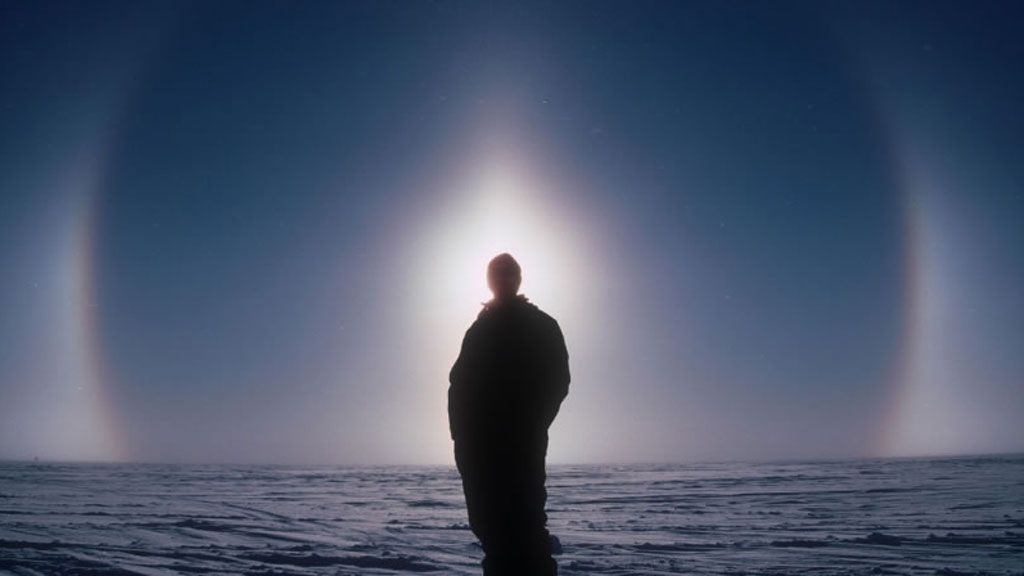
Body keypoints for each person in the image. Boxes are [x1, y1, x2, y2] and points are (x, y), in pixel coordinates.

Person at [449, 253, 571, 576]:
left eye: (507, 275)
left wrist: (527, 425)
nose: (501, 281)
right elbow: (459, 386)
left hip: (519, 450)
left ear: (517, 279)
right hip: (479, 452)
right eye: (496, 276)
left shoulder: (541, 326)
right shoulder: (480, 330)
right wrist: (463, 438)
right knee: (492, 529)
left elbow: (558, 381)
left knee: (524, 528)